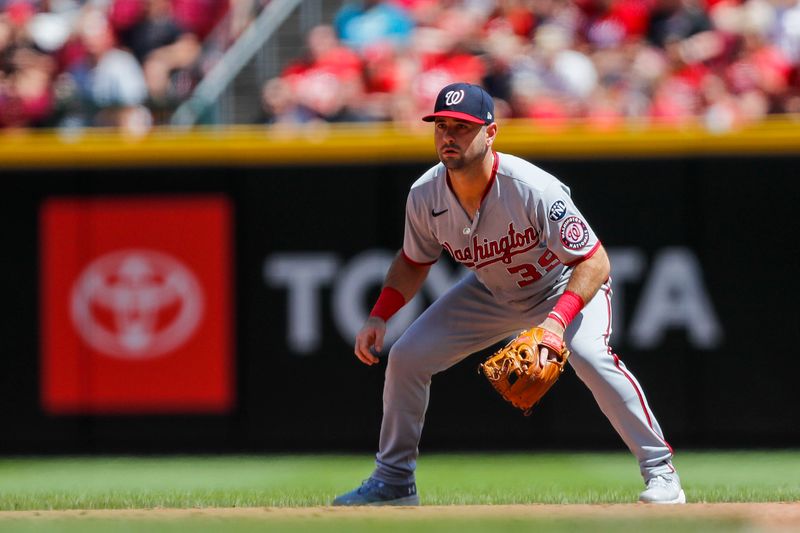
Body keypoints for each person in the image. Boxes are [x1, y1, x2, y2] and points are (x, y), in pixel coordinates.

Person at [332, 82, 685, 506]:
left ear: (490, 132)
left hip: (562, 286)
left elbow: (594, 261)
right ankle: (393, 482)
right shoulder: (425, 195)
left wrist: (556, 324)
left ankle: (662, 474)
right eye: (441, 125)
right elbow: (413, 261)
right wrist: (379, 314)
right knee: (407, 358)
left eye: (461, 127)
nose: (448, 135)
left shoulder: (531, 188)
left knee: (592, 358)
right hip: (492, 292)